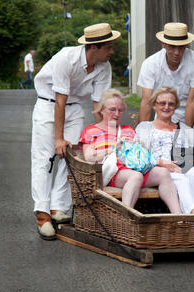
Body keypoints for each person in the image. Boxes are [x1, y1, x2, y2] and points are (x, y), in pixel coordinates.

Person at [31, 23, 120, 241]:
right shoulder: (66, 58)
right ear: (94, 48)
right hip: (49, 105)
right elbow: (59, 100)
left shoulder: (103, 66)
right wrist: (58, 138)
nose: (112, 51)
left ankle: (58, 208)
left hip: (75, 109)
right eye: (108, 47)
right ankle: (42, 214)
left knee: (69, 158)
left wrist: (104, 139)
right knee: (46, 158)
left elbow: (99, 105)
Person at [80, 89, 181, 213]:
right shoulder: (91, 130)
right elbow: (89, 157)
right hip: (111, 172)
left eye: (120, 110)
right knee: (136, 176)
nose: (116, 114)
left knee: (163, 173)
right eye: (112, 110)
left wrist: (139, 145)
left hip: (134, 169)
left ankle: (178, 217)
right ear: (101, 110)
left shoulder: (127, 130)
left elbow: (141, 155)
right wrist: (114, 148)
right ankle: (126, 216)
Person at [135, 87, 194, 214]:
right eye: (162, 103)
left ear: (175, 107)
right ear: (154, 105)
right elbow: (139, 154)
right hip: (160, 169)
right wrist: (161, 163)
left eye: (171, 104)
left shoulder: (184, 128)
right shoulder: (144, 127)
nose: (166, 107)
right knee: (180, 178)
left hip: (184, 166)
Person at [137, 22, 194, 145]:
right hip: (164, 110)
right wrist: (141, 137)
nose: (177, 52)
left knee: (191, 154)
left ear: (187, 44)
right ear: (163, 44)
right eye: (172, 46)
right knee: (159, 152)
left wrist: (186, 137)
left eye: (181, 47)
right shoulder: (150, 64)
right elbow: (146, 102)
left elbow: (192, 100)